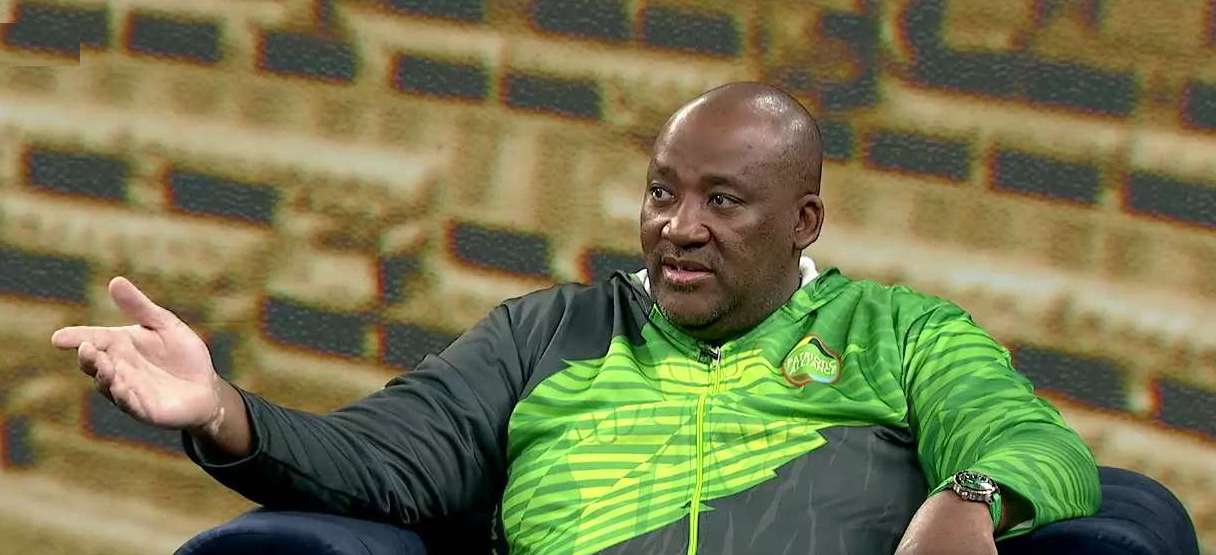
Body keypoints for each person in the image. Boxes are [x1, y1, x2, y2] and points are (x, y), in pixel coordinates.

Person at [52, 82, 1100, 555]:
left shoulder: (900, 332)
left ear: (803, 222)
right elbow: (383, 458)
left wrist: (968, 498)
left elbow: (1033, 443)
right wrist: (220, 408)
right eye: (661, 193)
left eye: (723, 201)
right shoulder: (544, 334)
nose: (679, 227)